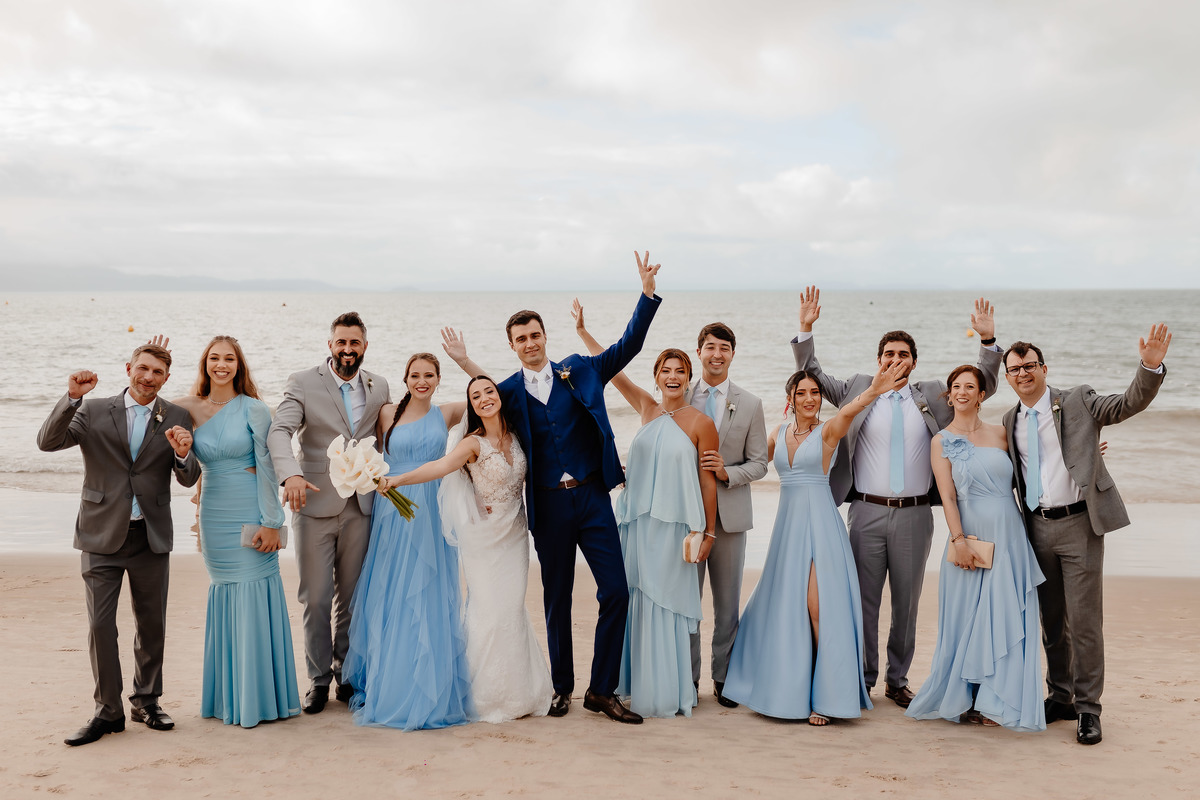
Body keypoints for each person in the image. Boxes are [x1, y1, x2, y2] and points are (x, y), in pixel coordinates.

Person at [445, 251, 662, 724]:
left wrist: (646, 295)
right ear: (512, 345)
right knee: (556, 598)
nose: (529, 343)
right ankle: (563, 687)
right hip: (547, 506)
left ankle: (601, 690)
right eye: (520, 338)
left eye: (535, 335)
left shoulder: (580, 369)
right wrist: (461, 364)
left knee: (616, 591)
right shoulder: (508, 392)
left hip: (592, 496)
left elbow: (628, 345)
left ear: (545, 336)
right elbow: (480, 398)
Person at [791, 286, 1002, 707]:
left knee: (906, 605)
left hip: (915, 515)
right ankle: (864, 678)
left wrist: (988, 341)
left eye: (903, 354)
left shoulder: (933, 395)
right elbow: (811, 374)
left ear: (914, 362)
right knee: (864, 602)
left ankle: (897, 679)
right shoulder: (857, 388)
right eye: (888, 354)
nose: (895, 360)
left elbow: (980, 386)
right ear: (879, 360)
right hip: (865, 511)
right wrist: (805, 327)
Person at [1001, 326, 1171, 745]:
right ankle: (1060, 696)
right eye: (1015, 369)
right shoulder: (1009, 420)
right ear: (1007, 377)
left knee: (1084, 623)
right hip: (1035, 529)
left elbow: (1126, 404)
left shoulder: (1078, 399)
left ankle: (1089, 708)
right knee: (1052, 621)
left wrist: (1149, 367)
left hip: (1080, 525)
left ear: (1044, 369)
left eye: (1029, 366)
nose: (1023, 374)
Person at [38, 341, 201, 746]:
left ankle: (146, 702)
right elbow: (48, 442)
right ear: (129, 369)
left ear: (166, 378)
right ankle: (107, 711)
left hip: (150, 535)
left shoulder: (176, 416)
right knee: (100, 625)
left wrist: (184, 455)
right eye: (142, 368)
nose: (148, 377)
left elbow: (188, 477)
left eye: (157, 372)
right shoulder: (93, 410)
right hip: (100, 534)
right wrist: (72, 397)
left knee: (152, 624)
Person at [724, 363, 905, 724]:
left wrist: (874, 390)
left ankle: (827, 696)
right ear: (790, 399)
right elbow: (754, 464)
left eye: (816, 393)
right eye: (802, 393)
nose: (810, 398)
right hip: (787, 527)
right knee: (782, 605)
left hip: (820, 524)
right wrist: (720, 471)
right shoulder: (777, 432)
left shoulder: (828, 431)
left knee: (818, 609)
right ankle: (776, 685)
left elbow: (850, 410)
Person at [376, 373, 553, 723]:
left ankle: (520, 691)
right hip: (483, 538)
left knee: (512, 609)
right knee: (488, 610)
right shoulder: (473, 443)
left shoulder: (518, 434)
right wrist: (398, 479)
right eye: (476, 396)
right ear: (471, 406)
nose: (484, 398)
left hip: (515, 535)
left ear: (499, 396)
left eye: (489, 391)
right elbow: (440, 466)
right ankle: (483, 696)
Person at [573, 307, 718, 717]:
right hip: (635, 526)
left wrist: (708, 533)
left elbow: (708, 482)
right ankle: (632, 684)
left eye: (680, 371)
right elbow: (611, 370)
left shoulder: (701, 423)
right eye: (666, 370)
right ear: (656, 377)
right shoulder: (646, 407)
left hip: (674, 531)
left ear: (688, 378)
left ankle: (666, 691)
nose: (673, 376)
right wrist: (584, 333)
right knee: (634, 599)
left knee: (665, 602)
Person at [905, 365, 1046, 732]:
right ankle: (963, 698)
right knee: (966, 617)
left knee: (1002, 613)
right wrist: (959, 540)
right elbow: (948, 497)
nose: (962, 392)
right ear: (949, 395)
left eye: (970, 386)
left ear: (982, 395)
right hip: (968, 535)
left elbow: (1037, 466)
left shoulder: (1002, 433)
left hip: (1008, 533)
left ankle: (994, 701)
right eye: (956, 386)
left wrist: (1089, 455)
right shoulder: (941, 441)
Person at [172, 335, 301, 728]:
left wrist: (272, 521)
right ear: (205, 364)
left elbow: (267, 465)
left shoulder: (254, 408)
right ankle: (230, 697)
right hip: (213, 513)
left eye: (229, 359)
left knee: (254, 592)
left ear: (239, 366)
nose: (221, 365)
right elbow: (148, 416)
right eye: (214, 358)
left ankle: (259, 698)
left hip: (251, 509)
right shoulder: (186, 407)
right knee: (226, 593)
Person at [267, 312, 391, 714]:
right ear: (330, 345)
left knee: (352, 599)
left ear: (364, 346)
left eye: (354, 343)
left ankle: (346, 674)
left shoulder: (379, 385)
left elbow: (388, 437)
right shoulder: (303, 382)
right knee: (317, 599)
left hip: (362, 505)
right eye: (341, 342)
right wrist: (291, 475)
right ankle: (318, 679)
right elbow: (279, 431)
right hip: (314, 504)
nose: (347, 350)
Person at [341, 353, 472, 729]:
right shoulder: (386, 413)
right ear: (405, 379)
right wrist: (359, 471)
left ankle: (425, 677)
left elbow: (497, 394)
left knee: (428, 587)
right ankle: (388, 678)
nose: (422, 381)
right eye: (415, 375)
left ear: (439, 378)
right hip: (392, 508)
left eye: (429, 375)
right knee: (392, 587)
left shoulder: (448, 413)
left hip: (432, 507)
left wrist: (464, 360)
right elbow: (361, 444)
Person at [686, 322, 768, 708]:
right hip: (687, 517)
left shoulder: (750, 403)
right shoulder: (680, 396)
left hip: (730, 519)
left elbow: (759, 463)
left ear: (733, 354)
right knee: (687, 603)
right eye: (710, 347)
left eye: (724, 348)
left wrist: (726, 473)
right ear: (699, 352)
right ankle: (687, 679)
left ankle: (723, 678)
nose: (716, 354)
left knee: (727, 605)